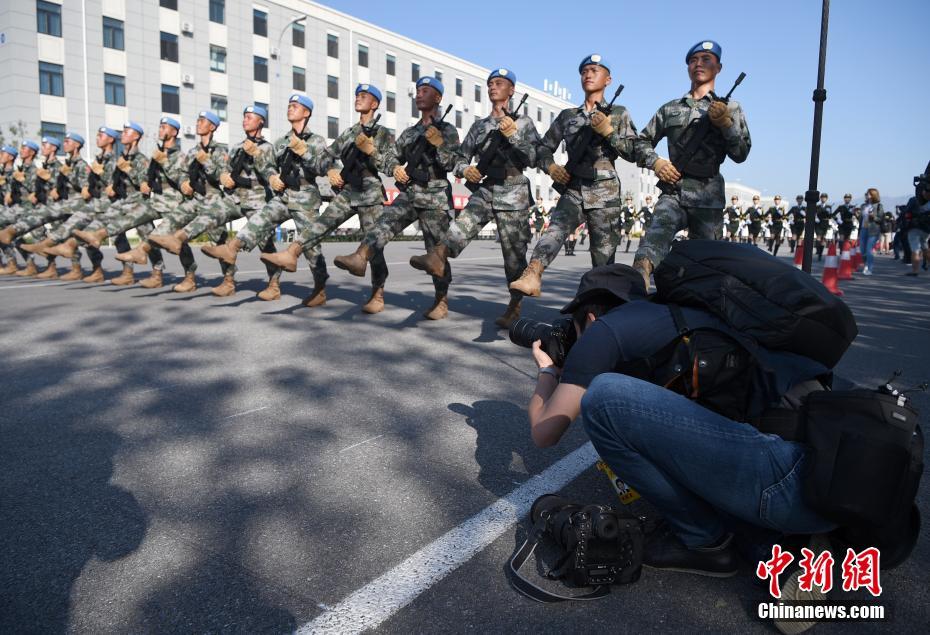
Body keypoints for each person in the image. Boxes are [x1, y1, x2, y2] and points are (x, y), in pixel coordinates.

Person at [526, 265, 835, 575]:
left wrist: (548, 371)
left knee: (603, 400)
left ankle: (708, 543)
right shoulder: (677, 324)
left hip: (788, 481)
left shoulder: (604, 330)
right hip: (826, 471)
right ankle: (790, 547)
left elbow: (544, 433)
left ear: (590, 318)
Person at [406, 67, 542, 327]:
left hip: (514, 190)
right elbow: (459, 156)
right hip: (487, 188)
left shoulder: (524, 122)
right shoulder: (479, 126)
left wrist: (513, 135)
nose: (493, 87)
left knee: (513, 256)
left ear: (511, 90)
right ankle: (438, 256)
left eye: (499, 83)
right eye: (490, 83)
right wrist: (465, 169)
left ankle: (514, 305)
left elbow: (534, 158)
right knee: (462, 224)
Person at [507, 54, 638, 298]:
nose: (588, 74)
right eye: (584, 70)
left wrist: (609, 132)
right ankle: (532, 273)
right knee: (554, 230)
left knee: (603, 261)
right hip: (574, 187)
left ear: (608, 79)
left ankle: (601, 311)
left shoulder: (619, 113)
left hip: (605, 194)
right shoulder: (568, 116)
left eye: (594, 70)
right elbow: (544, 148)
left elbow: (633, 152)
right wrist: (551, 167)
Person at [331, 76, 460, 319]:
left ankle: (441, 300)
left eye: (425, 91)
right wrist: (396, 169)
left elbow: (452, 163)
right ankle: (360, 257)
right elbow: (390, 158)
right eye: (418, 91)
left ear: (438, 98)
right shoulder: (409, 133)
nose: (419, 94)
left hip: (435, 195)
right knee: (383, 224)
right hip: (411, 192)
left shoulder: (448, 130)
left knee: (434, 253)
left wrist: (439, 143)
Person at [260, 84, 394, 313]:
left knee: (374, 248)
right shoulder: (349, 133)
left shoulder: (382, 133)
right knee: (320, 225)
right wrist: (329, 170)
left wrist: (372, 151)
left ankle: (377, 294)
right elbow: (324, 160)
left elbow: (392, 167)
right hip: (348, 189)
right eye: (356, 95)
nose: (358, 99)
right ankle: (292, 253)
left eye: (364, 96)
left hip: (370, 192)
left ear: (375, 104)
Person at [631, 40, 751, 287]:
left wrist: (727, 125)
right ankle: (636, 294)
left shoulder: (731, 108)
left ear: (719, 67)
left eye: (706, 59)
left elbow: (741, 153)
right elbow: (639, 142)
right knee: (649, 250)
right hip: (673, 191)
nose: (699, 64)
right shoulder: (670, 109)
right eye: (693, 60)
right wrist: (656, 163)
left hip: (708, 197)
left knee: (710, 266)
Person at [200, 93, 333, 304]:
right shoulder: (281, 141)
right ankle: (231, 249)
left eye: (295, 106)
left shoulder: (317, 140)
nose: (290, 108)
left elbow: (321, 167)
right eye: (289, 105)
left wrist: (304, 151)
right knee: (260, 219)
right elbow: (269, 166)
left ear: (306, 113)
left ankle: (320, 288)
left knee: (311, 248)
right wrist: (272, 176)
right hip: (284, 195)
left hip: (305, 197)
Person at [903, 170, 930, 277]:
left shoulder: (914, 200)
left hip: (915, 227)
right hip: (926, 228)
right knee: (924, 246)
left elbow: (907, 213)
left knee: (915, 248)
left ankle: (915, 270)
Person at [858, 188, 883, 276]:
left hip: (873, 230)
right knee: (862, 250)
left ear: (873, 195)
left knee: (869, 250)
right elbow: (861, 219)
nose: (867, 195)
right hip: (863, 229)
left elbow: (880, 219)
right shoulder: (863, 206)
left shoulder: (879, 206)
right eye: (867, 194)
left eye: (869, 194)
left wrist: (873, 217)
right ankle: (866, 264)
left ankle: (870, 268)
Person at [814, 193, 832, 260]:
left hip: (825, 223)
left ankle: (820, 254)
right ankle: (818, 251)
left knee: (823, 239)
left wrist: (829, 213)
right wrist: (815, 218)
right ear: (820, 198)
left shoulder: (829, 207)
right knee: (818, 237)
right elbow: (814, 213)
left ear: (826, 199)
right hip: (818, 223)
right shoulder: (817, 206)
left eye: (824, 198)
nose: (823, 199)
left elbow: (830, 216)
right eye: (822, 197)